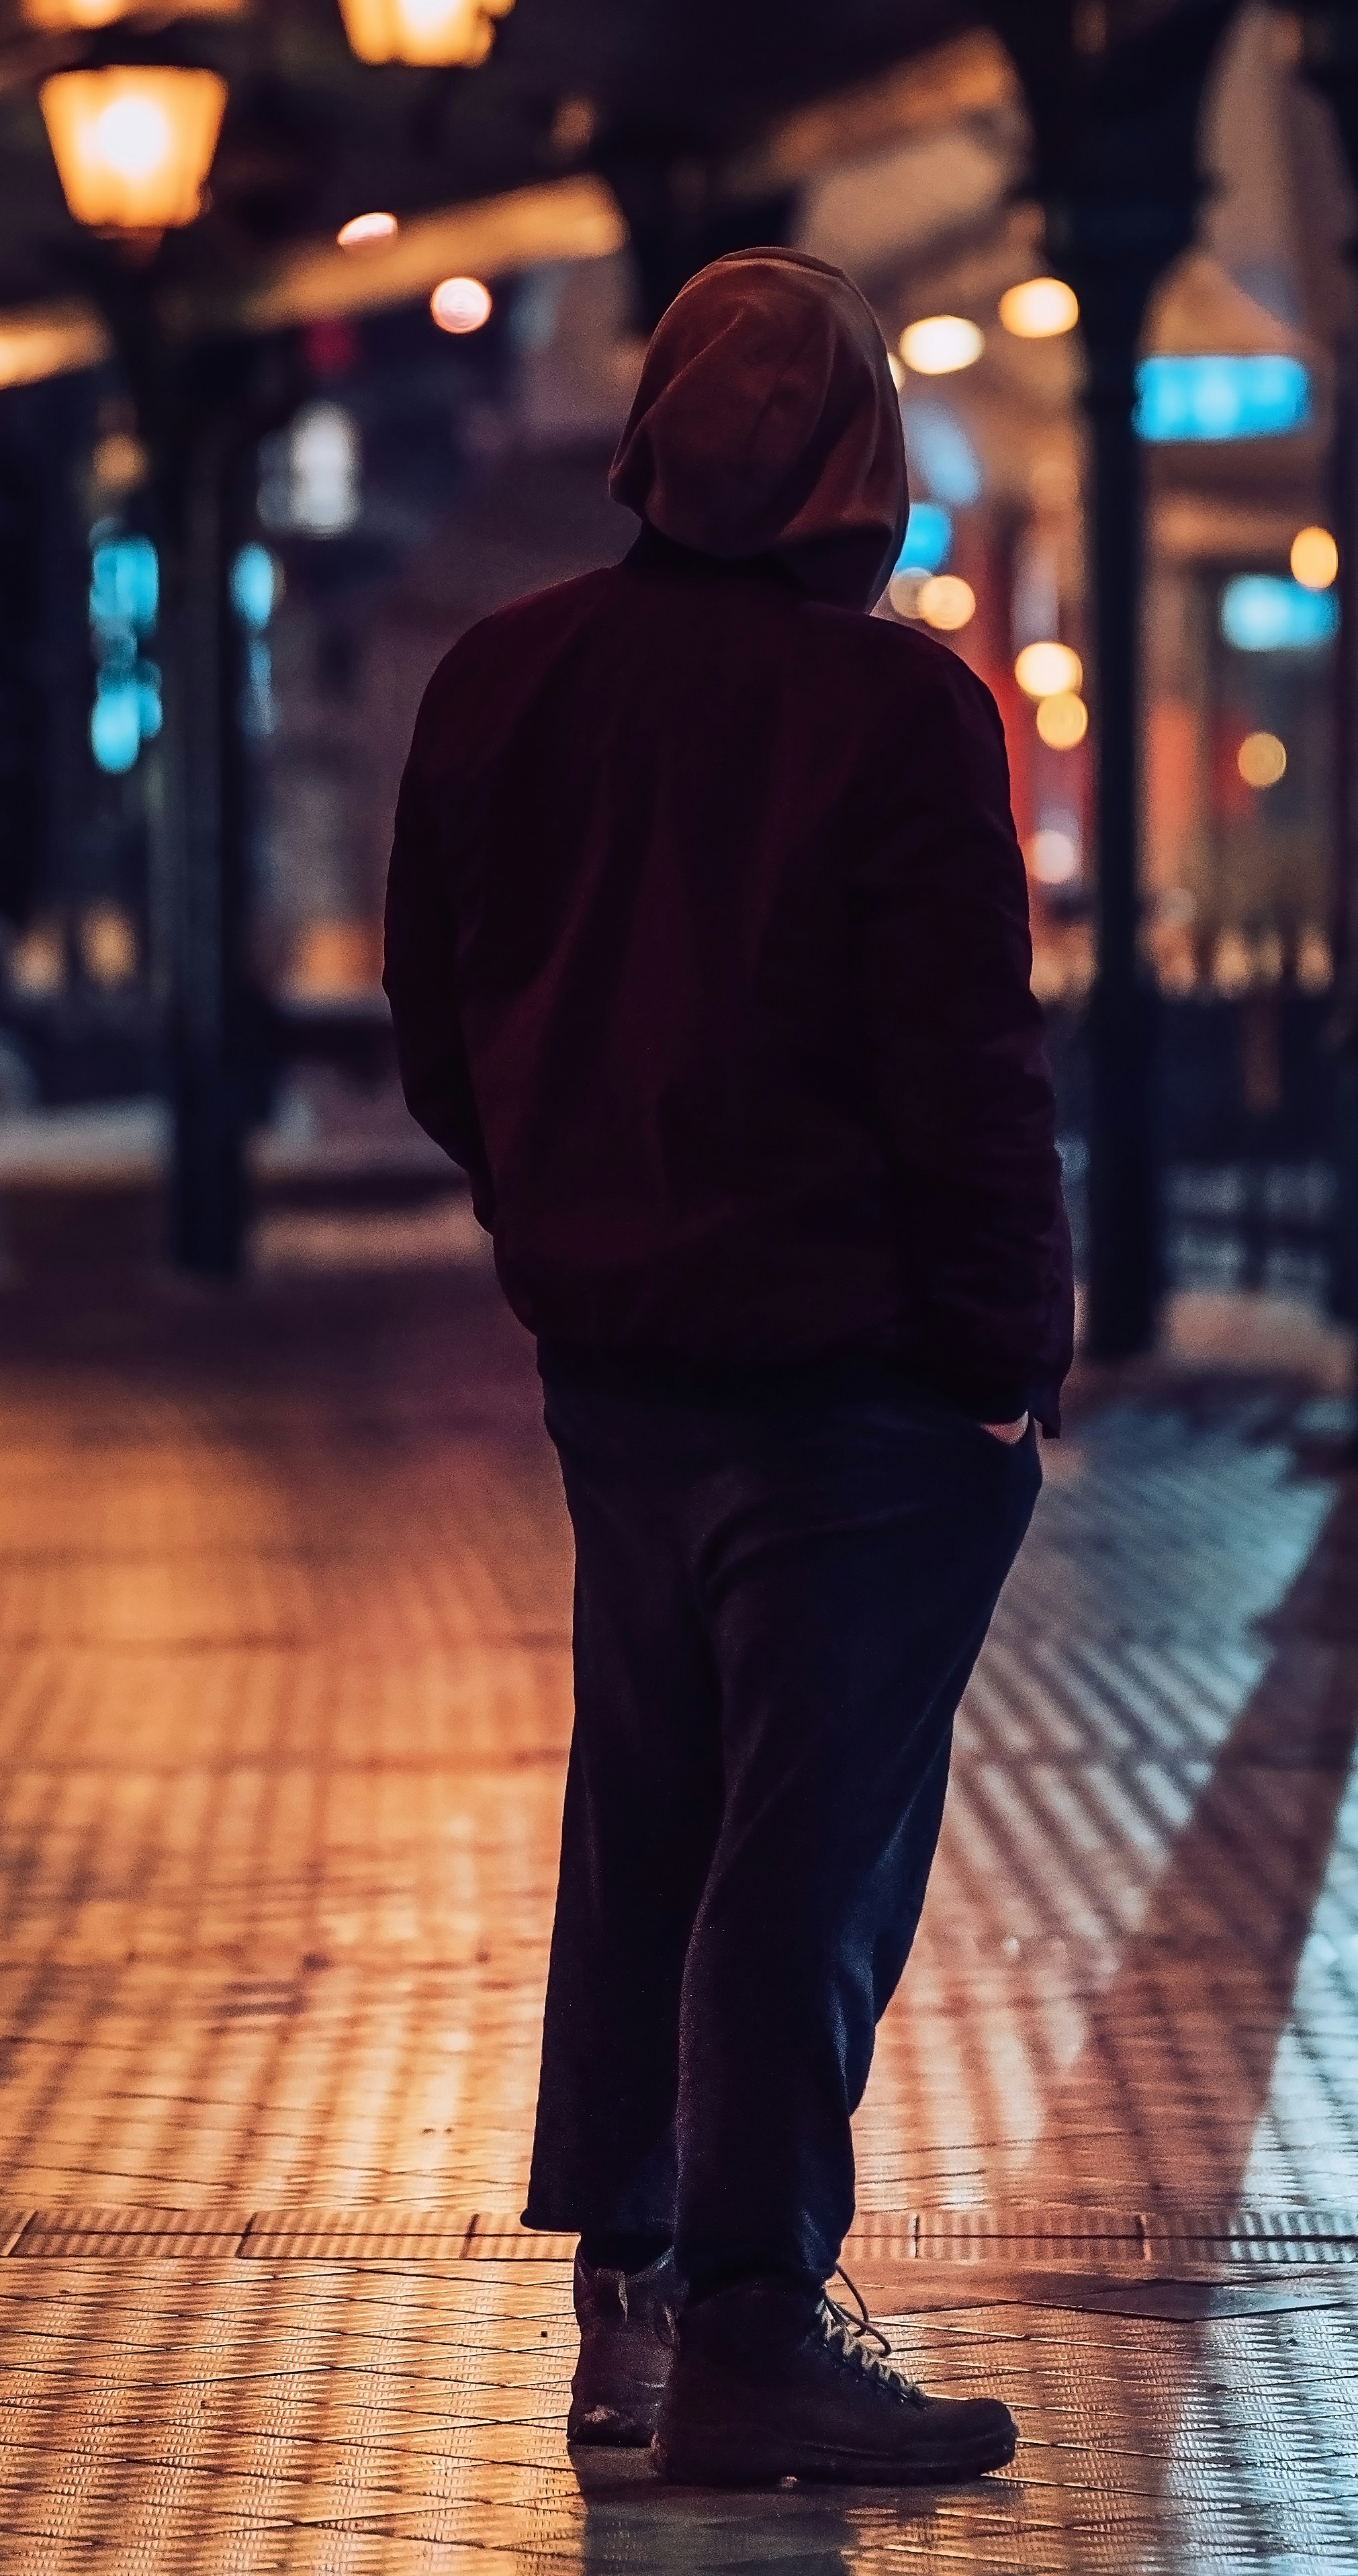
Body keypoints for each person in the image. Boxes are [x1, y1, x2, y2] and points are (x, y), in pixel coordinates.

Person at [383, 247, 1073, 2487]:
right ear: (855, 465)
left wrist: (555, 1207)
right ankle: (762, 2320)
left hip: (622, 1363)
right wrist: (1006, 1361)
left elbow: (440, 1022)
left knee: (653, 1807)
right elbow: (965, 1072)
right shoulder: (893, 711)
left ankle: (634, 2312)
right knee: (808, 1842)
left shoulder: (506, 681)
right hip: (857, 1380)